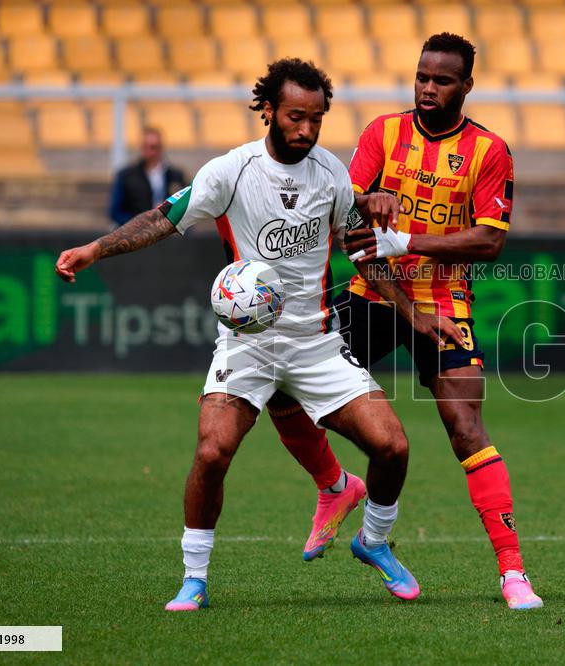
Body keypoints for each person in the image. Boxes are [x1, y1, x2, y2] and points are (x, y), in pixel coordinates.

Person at [54, 58, 463, 611]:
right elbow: (161, 218)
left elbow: (362, 254)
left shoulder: (331, 175)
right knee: (213, 450)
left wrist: (413, 317)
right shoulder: (232, 171)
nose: (306, 130)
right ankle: (194, 578)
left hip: (316, 341)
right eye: (296, 116)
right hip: (246, 345)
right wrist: (96, 249)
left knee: (392, 447)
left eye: (317, 119)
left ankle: (373, 540)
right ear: (268, 111)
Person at [266, 33, 543, 610]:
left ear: (466, 86)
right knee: (281, 386)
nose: (427, 88)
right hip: (375, 293)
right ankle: (334, 488)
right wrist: (376, 219)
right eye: (421, 77)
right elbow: (352, 225)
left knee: (467, 427)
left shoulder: (490, 151)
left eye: (442, 80)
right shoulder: (381, 135)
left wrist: (408, 237)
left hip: (444, 304)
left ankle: (511, 573)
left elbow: (489, 242)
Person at [108, 127, 187, 227]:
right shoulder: (126, 176)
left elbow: (184, 209)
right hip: (136, 235)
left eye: (154, 147)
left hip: (167, 234)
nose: (150, 152)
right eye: (146, 147)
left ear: (161, 148)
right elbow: (115, 211)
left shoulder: (175, 176)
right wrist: (137, 225)